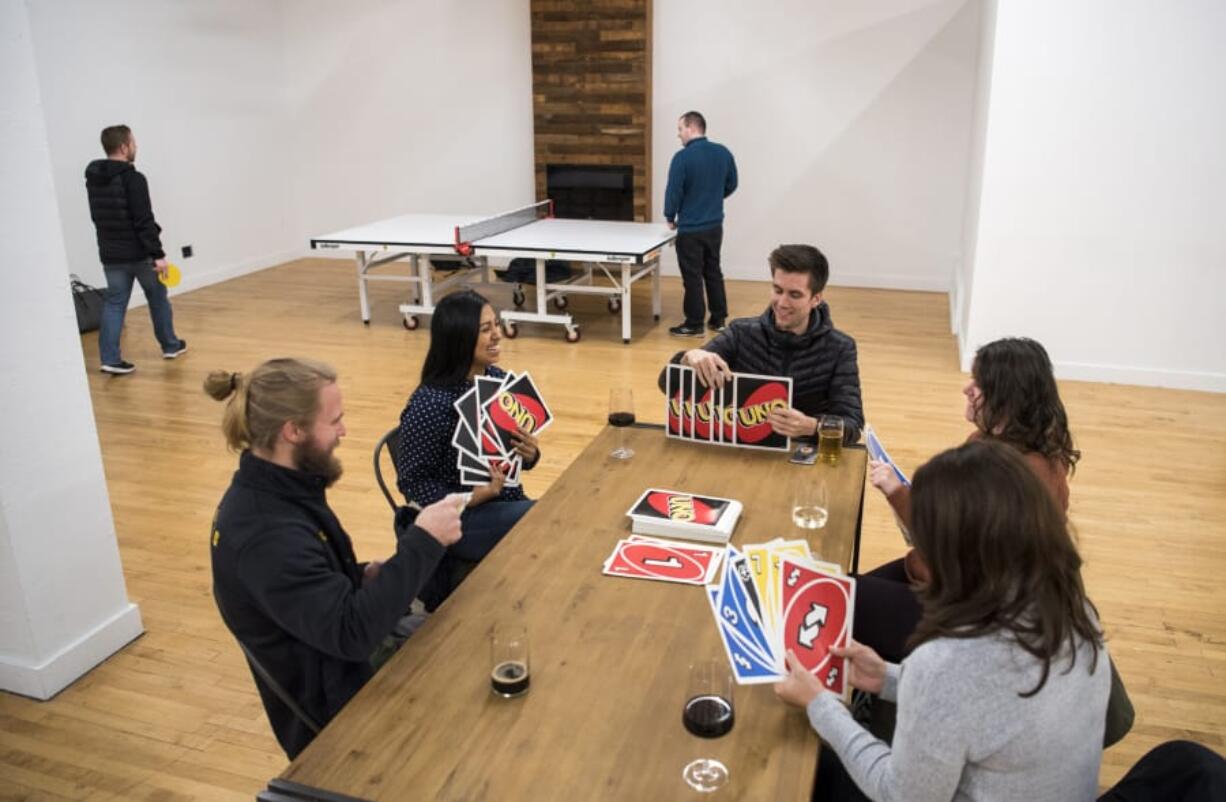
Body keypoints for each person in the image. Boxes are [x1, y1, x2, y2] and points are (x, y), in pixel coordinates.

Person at [775, 440, 1110, 801]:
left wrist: (819, 704)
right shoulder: (1075, 609)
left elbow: (898, 794)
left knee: (797, 765)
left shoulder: (945, 662)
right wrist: (886, 676)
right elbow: (984, 706)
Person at [206, 357, 462, 759]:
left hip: (342, 663)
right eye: (334, 421)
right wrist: (425, 539)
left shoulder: (283, 491)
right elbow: (351, 635)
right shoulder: (266, 537)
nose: (343, 431)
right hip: (341, 711)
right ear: (293, 431)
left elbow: (310, 595)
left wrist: (358, 576)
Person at [855, 337, 1078, 662]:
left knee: (834, 600)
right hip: (942, 576)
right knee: (843, 591)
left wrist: (897, 492)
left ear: (1008, 398)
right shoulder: (994, 440)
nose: (967, 389)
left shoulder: (1016, 474)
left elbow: (945, 540)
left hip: (967, 612)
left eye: (980, 383)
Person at [395, 291, 540, 608]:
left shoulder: (497, 379)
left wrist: (530, 454)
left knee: (550, 515)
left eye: (496, 324)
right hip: (462, 519)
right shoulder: (429, 405)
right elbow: (413, 485)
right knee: (543, 521)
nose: (497, 334)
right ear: (459, 338)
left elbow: (510, 457)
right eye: (486, 328)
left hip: (504, 501)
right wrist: (474, 496)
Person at [657, 244, 864, 444]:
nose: (782, 303)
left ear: (816, 299)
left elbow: (853, 426)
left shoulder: (840, 348)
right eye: (777, 290)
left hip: (801, 456)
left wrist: (811, 426)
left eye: (795, 294)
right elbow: (668, 385)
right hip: (742, 454)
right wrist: (687, 359)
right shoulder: (741, 332)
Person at [85, 125, 186, 374]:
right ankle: (170, 345)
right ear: (123, 146)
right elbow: (143, 220)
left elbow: (98, 218)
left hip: (110, 254)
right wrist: (158, 255)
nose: (136, 146)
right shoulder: (134, 178)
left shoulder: (93, 179)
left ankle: (109, 358)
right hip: (140, 254)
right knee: (157, 298)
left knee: (114, 303)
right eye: (133, 142)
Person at [663, 110, 738, 336]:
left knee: (692, 276)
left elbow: (673, 191)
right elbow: (732, 184)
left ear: (692, 128)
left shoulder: (682, 158)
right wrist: (713, 198)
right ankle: (719, 318)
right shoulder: (723, 153)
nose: (679, 135)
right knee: (713, 271)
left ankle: (694, 323)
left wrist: (670, 215)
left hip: (691, 229)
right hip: (715, 226)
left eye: (680, 129)